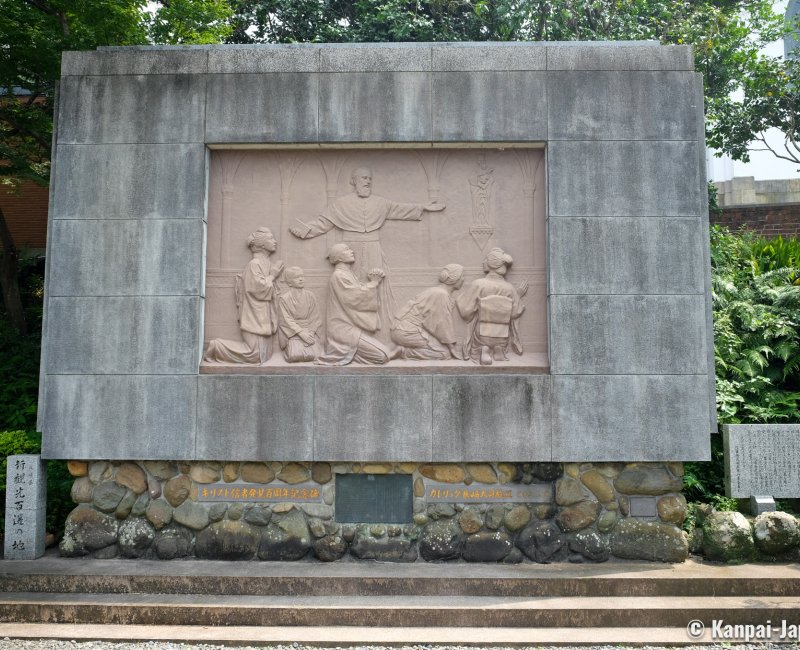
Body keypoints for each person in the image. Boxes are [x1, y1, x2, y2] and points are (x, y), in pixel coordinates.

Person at [289, 167, 445, 343]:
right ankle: (352, 334)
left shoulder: (380, 203)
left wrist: (423, 208)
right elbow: (323, 222)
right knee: (351, 292)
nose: (367, 181)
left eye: (369, 178)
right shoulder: (341, 204)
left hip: (373, 249)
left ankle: (378, 334)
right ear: (354, 181)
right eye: (363, 178)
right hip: (351, 250)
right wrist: (304, 231)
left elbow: (399, 209)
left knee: (375, 287)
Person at [203, 227, 284, 364]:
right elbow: (258, 288)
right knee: (255, 355)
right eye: (271, 238)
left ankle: (218, 347)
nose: (274, 241)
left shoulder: (265, 263)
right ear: (262, 244)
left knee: (264, 355)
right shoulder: (254, 264)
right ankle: (217, 346)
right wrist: (273, 275)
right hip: (254, 317)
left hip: (263, 317)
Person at [317, 243, 395, 366]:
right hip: (342, 330)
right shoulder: (338, 276)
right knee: (382, 356)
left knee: (386, 351)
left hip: (351, 328)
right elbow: (353, 298)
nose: (352, 251)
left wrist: (371, 282)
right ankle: (347, 352)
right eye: (347, 250)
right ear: (339, 258)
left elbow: (357, 293)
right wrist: (373, 283)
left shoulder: (347, 274)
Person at [456, 247, 527, 365]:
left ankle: (484, 349)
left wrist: (460, 298)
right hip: (502, 335)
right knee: (500, 339)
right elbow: (515, 312)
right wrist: (517, 295)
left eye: (485, 259)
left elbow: (465, 311)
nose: (483, 262)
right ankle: (499, 349)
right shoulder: (509, 287)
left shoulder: (479, 284)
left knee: (480, 340)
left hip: (482, 333)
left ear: (491, 264)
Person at [390, 264, 464, 360]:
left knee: (441, 349)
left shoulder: (437, 291)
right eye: (462, 276)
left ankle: (401, 348)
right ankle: (403, 351)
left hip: (401, 329)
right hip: (407, 331)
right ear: (454, 279)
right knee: (444, 353)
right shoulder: (441, 294)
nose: (463, 280)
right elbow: (441, 324)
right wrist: (452, 347)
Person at [277, 266, 322, 363]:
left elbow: (316, 316)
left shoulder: (310, 296)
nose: (301, 279)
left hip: (309, 331)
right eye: (296, 277)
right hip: (293, 333)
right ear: (289, 282)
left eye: (302, 276)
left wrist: (311, 333)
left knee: (316, 355)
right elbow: (285, 320)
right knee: (295, 355)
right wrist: (301, 333)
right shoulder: (284, 299)